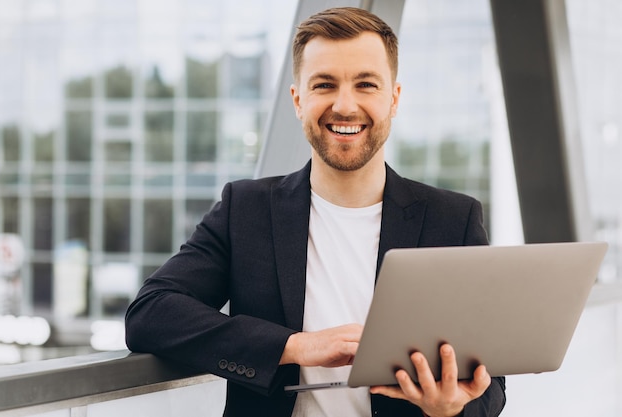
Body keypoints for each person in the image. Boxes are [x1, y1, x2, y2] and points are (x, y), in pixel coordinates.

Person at [125, 7, 506, 417]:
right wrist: (294, 346)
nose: (345, 106)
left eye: (366, 85)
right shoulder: (246, 210)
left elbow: (491, 388)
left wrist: (451, 409)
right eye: (324, 84)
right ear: (297, 100)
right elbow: (150, 313)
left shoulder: (453, 219)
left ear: (393, 99)